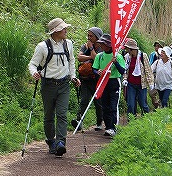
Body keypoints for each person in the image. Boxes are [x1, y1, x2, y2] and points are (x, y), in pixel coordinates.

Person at [28, 18, 81, 156]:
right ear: (55, 31)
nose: (66, 30)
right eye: (63, 28)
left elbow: (71, 62)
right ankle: (51, 141)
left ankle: (60, 142)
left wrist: (73, 76)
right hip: (48, 85)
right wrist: (34, 73)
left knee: (62, 114)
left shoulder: (68, 44)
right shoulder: (42, 47)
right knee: (49, 115)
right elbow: (32, 64)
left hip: (64, 84)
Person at [92, 34, 125, 137]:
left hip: (114, 82)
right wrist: (98, 72)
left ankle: (113, 127)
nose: (101, 46)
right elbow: (94, 68)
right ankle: (108, 127)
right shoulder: (99, 56)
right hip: (103, 83)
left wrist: (115, 63)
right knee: (105, 106)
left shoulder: (118, 56)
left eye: (103, 44)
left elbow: (122, 71)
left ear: (109, 45)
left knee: (113, 106)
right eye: (101, 44)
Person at [72, 27, 104, 132]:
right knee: (84, 100)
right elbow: (79, 57)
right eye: (88, 35)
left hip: (95, 78)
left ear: (97, 37)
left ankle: (100, 122)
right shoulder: (84, 46)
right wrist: (90, 56)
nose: (89, 37)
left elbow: (97, 58)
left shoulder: (101, 47)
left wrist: (91, 50)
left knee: (97, 101)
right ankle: (79, 121)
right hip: (84, 78)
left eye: (91, 36)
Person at [122, 39, 154, 118]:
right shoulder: (127, 57)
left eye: (128, 49)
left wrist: (150, 83)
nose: (127, 51)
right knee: (130, 104)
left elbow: (147, 69)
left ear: (132, 49)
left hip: (141, 84)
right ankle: (131, 120)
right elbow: (126, 70)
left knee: (143, 104)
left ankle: (146, 119)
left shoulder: (143, 56)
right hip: (131, 84)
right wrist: (125, 79)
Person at [149, 40, 165, 109]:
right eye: (156, 46)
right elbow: (150, 64)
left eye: (158, 46)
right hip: (154, 75)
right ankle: (157, 105)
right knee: (152, 93)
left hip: (163, 76)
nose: (156, 48)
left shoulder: (165, 55)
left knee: (162, 92)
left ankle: (161, 106)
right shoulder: (153, 54)